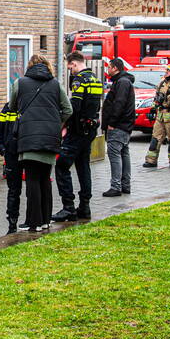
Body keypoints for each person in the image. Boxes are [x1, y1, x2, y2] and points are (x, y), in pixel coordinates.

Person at [9, 54, 72, 232]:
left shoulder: (20, 83)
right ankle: (45, 220)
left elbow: (12, 106)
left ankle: (33, 222)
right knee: (45, 178)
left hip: (28, 136)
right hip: (50, 137)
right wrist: (55, 124)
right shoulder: (55, 84)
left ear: (29, 66)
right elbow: (68, 109)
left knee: (32, 179)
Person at [53, 51, 103, 222]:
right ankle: (85, 206)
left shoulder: (80, 80)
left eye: (69, 66)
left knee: (61, 165)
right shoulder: (96, 79)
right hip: (90, 130)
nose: (69, 70)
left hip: (77, 131)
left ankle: (68, 207)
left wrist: (64, 126)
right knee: (83, 166)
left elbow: (74, 106)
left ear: (74, 63)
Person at [143, 63, 170, 169]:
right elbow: (156, 98)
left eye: (169, 71)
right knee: (155, 139)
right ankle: (151, 161)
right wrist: (153, 109)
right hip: (160, 117)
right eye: (167, 70)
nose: (166, 72)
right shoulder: (161, 83)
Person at [101, 57, 135, 197]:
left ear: (115, 68)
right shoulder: (124, 82)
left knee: (115, 154)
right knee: (124, 154)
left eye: (109, 67)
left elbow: (119, 104)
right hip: (125, 125)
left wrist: (112, 123)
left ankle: (116, 186)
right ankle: (125, 185)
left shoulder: (121, 82)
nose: (107, 69)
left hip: (118, 126)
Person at [0, 100, 23, 234]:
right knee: (13, 190)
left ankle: (33, 221)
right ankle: (12, 224)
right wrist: (2, 148)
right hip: (12, 154)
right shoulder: (9, 106)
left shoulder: (31, 104)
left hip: (29, 151)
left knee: (33, 188)